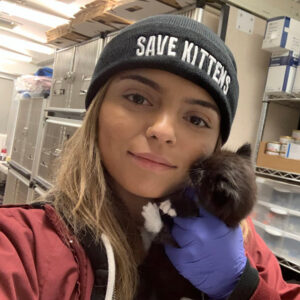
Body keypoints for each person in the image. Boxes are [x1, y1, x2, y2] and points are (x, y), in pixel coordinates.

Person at [0, 14, 299, 300]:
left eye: (196, 119)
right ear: (97, 112)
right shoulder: (22, 248)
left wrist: (245, 288)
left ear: (215, 145)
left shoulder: (244, 246)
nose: (163, 130)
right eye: (138, 98)